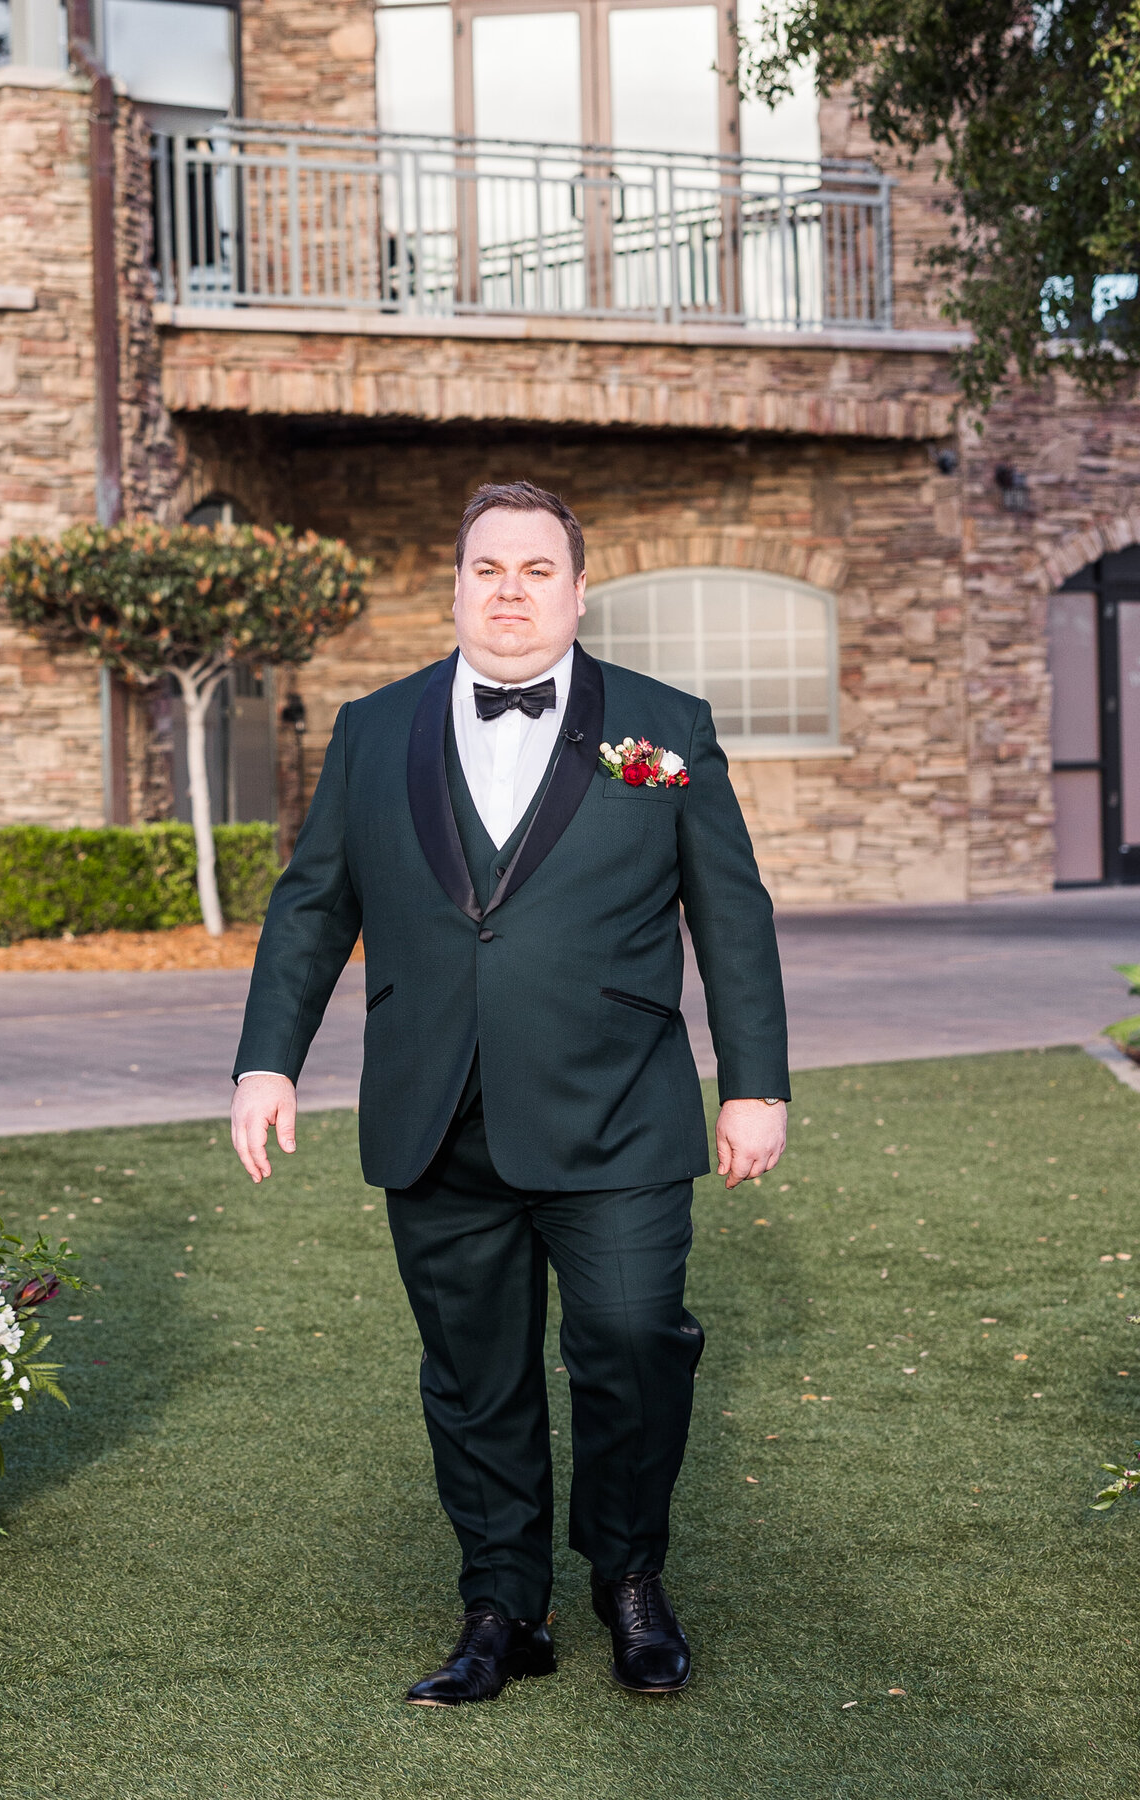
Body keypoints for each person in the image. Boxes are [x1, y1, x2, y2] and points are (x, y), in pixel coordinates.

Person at [231, 481, 789, 1705]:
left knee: (638, 1344)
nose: (512, 591)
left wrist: (754, 1084)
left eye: (539, 570)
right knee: (472, 1376)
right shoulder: (375, 730)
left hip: (620, 1111)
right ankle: (502, 1609)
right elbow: (315, 902)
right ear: (457, 587)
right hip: (436, 1113)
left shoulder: (663, 723)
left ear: (578, 591)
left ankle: (630, 1582)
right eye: (490, 569)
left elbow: (730, 917)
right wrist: (267, 1059)